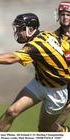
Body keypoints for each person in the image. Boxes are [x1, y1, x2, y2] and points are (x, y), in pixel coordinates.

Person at [0, 13, 70, 132]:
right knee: (11, 112)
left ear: (30, 29)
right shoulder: (45, 34)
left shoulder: (37, 45)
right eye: (17, 28)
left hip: (56, 91)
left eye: (20, 29)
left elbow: (12, 58)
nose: (17, 32)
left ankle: (65, 132)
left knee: (44, 129)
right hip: (39, 83)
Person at [54, 1, 70, 131]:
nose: (65, 17)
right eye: (62, 14)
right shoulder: (54, 37)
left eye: (68, 14)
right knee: (50, 126)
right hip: (63, 83)